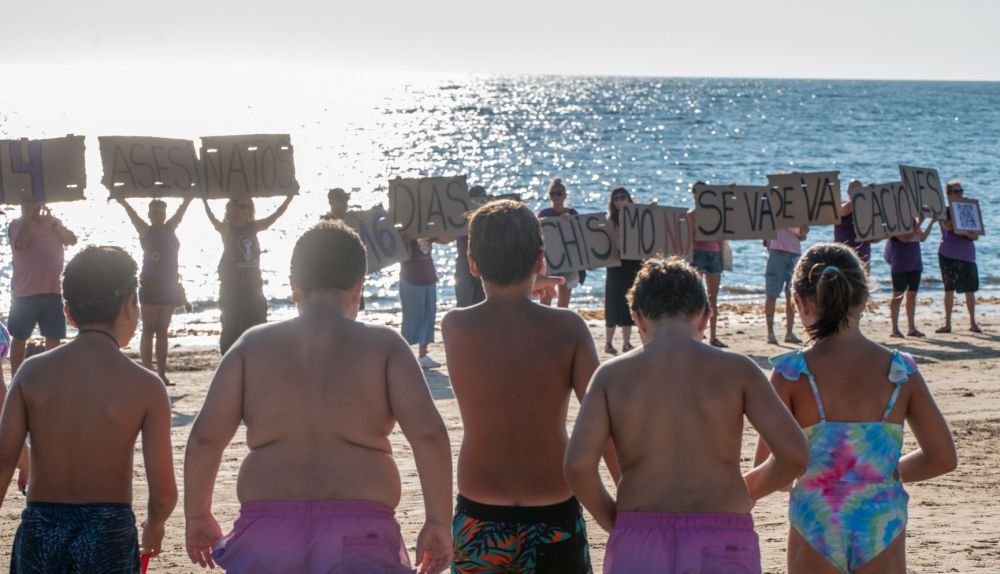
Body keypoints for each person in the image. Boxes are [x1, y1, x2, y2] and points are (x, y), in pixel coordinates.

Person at [184, 221, 452, 573]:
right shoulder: (384, 346)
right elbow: (429, 435)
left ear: (295, 289)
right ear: (358, 289)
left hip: (269, 529)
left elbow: (205, 437)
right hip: (360, 528)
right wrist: (437, 521)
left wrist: (198, 514)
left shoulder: (251, 345)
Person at [565, 258, 808, 574]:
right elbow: (795, 453)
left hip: (640, 533)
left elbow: (577, 465)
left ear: (637, 319)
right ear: (706, 317)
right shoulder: (739, 370)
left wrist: (611, 518)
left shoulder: (611, 376)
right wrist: (750, 488)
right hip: (723, 533)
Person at [756, 242, 957, 574]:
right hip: (881, 519)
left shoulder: (792, 374)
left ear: (801, 303)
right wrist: (885, 471)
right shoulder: (900, 372)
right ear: (864, 300)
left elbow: (771, 470)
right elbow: (942, 458)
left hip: (817, 519)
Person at [442, 200, 617, 573]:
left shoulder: (455, 327)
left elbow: (505, 314)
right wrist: (627, 491)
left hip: (479, 511)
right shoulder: (568, 329)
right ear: (540, 260)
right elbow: (604, 423)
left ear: (473, 264)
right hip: (552, 508)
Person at [0, 246, 177, 572]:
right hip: (107, 533)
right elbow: (164, 493)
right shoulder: (146, 386)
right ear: (129, 305)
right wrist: (155, 525)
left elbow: (3, 461)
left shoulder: (30, 372)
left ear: (68, 314)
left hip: (41, 528)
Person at [204, 193, 294, 354]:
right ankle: (230, 364)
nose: (247, 210)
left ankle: (256, 363)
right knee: (231, 330)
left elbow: (275, 216)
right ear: (232, 209)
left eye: (249, 206)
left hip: (254, 289)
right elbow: (211, 219)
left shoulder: (253, 227)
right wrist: (203, 199)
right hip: (232, 290)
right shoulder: (228, 229)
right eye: (242, 206)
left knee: (258, 329)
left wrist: (289, 197)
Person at [117, 197, 194, 385]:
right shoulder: (146, 230)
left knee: (162, 331)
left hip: (169, 285)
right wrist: (122, 200)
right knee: (148, 330)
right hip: (151, 285)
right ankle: (147, 372)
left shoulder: (170, 228)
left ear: (165, 214)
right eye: (154, 213)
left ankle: (161, 374)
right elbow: (133, 215)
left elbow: (181, 213)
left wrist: (188, 198)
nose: (158, 216)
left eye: (161, 213)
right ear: (150, 215)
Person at [6, 201, 77, 375]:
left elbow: (72, 239)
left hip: (52, 291)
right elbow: (21, 243)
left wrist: (54, 223)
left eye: (36, 204)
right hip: (25, 294)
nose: (33, 208)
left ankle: (51, 378)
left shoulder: (52, 224)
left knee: (53, 338)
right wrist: (28, 219)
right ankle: (16, 376)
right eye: (28, 205)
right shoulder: (16, 225)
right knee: (20, 337)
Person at [936, 180, 982, 334]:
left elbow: (976, 235)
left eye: (961, 191)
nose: (960, 194)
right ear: (948, 194)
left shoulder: (969, 209)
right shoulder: (944, 210)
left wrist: (964, 232)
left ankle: (973, 322)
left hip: (967, 254)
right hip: (947, 253)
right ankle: (947, 324)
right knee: (949, 289)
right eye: (956, 192)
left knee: (970, 289)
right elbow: (948, 226)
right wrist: (964, 231)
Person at [605, 187, 643, 355]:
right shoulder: (610, 220)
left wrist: (654, 210)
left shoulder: (638, 216)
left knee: (630, 300)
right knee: (613, 301)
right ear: (612, 202)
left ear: (629, 199)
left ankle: (626, 343)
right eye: (616, 198)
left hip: (633, 262)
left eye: (623, 197)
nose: (619, 200)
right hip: (616, 263)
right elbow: (610, 244)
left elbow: (650, 231)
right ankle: (608, 343)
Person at [400, 236, 446, 368]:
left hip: (429, 277)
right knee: (411, 318)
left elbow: (446, 238)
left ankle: (423, 355)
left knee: (429, 317)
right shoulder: (406, 231)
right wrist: (408, 239)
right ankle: (404, 356)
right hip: (410, 278)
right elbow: (404, 256)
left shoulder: (428, 230)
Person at [887, 219, 934, 338]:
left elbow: (922, 237)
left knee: (912, 296)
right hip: (900, 264)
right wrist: (921, 220)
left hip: (915, 262)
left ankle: (911, 328)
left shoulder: (913, 221)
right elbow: (905, 238)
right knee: (898, 295)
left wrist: (932, 221)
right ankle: (895, 329)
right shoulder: (894, 221)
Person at [537, 178, 580, 308]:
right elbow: (537, 236)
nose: (556, 196)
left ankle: (560, 327)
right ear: (549, 196)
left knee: (564, 304)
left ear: (565, 195)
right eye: (553, 194)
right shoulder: (544, 214)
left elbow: (579, 238)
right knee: (545, 303)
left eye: (559, 193)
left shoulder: (572, 213)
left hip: (568, 261)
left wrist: (570, 222)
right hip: (550, 261)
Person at [764, 226, 809, 345]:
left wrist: (803, 231)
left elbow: (803, 234)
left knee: (792, 295)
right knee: (772, 293)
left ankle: (788, 332)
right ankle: (771, 333)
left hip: (793, 251)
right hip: (779, 250)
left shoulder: (799, 210)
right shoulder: (779, 208)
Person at [454, 186, 487, 308]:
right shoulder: (462, 215)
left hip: (482, 257)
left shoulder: (488, 215)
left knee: (481, 297)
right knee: (465, 299)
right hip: (465, 258)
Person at [833, 180, 872, 267]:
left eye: (858, 188)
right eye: (853, 187)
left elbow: (873, 238)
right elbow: (845, 210)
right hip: (843, 256)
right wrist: (863, 193)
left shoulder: (866, 211)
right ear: (847, 191)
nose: (856, 190)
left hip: (863, 258)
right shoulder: (840, 206)